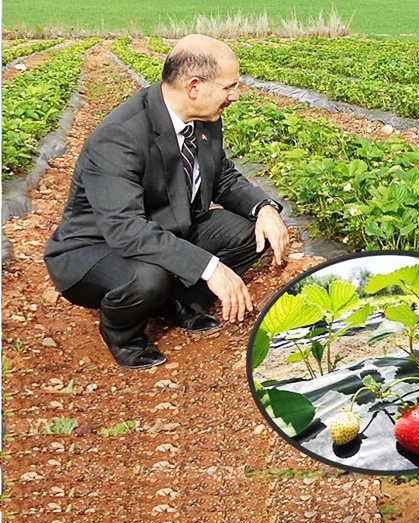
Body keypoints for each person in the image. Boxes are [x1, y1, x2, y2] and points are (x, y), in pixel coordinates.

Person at [44, 34, 289, 369]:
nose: (235, 95)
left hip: (164, 224)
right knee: (149, 275)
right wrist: (209, 267)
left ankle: (177, 301)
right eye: (229, 87)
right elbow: (125, 229)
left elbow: (222, 177)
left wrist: (264, 209)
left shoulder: (205, 119)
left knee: (252, 233)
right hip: (95, 248)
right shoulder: (120, 136)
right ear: (194, 87)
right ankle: (123, 335)